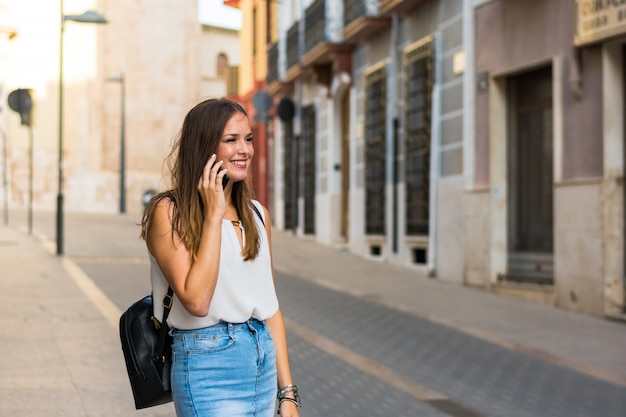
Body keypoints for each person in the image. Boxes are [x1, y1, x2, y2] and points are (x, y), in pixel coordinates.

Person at [140, 97, 301, 417]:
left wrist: (288, 394)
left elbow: (270, 307)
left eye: (249, 139)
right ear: (205, 147)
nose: (245, 150)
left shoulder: (257, 215)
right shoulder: (169, 213)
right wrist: (213, 216)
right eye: (231, 140)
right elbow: (196, 301)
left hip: (261, 363)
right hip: (207, 366)